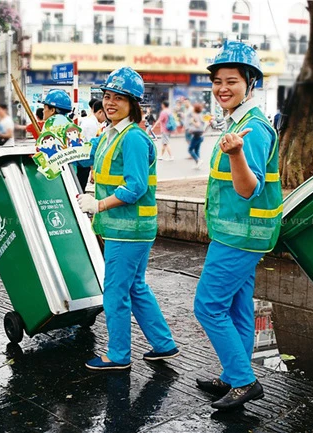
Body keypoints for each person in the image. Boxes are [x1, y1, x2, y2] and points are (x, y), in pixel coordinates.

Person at [193, 41, 283, 411]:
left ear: (250, 83)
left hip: (240, 235)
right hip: (240, 233)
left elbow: (248, 189)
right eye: (217, 81)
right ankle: (234, 375)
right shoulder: (240, 122)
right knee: (237, 309)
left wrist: (236, 154)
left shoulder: (254, 129)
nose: (222, 88)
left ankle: (245, 380)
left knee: (208, 306)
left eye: (231, 80)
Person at [77, 66, 179, 370]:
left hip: (129, 228)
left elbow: (135, 186)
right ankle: (163, 343)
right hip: (126, 228)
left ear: (133, 103)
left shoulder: (133, 138)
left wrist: (98, 205)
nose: (110, 103)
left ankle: (118, 355)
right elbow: (85, 157)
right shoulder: (111, 133)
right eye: (107, 96)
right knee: (135, 286)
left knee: (116, 291)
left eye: (118, 98)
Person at [76, 99, 106, 191]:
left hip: (82, 159)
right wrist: (93, 171)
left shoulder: (89, 121)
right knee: (80, 187)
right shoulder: (91, 124)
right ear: (100, 112)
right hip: (83, 161)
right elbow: (89, 149)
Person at [187, 103, 205, 168]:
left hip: (196, 135)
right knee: (197, 150)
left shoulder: (195, 115)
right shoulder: (200, 115)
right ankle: (198, 163)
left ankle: (198, 160)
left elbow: (198, 125)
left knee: (190, 149)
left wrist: (192, 122)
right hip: (201, 135)